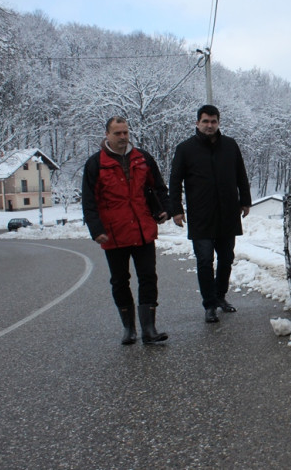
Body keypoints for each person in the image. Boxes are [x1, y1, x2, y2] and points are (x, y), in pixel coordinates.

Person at [82, 116, 169, 345]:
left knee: (148, 277)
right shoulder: (95, 164)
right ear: (107, 135)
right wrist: (96, 229)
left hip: (142, 229)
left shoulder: (143, 158)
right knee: (120, 281)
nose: (123, 137)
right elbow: (89, 201)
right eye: (118, 133)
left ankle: (149, 329)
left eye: (125, 133)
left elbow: (158, 187)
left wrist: (163, 209)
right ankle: (129, 329)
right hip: (114, 233)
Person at [169, 104, 252, 323]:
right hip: (201, 214)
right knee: (205, 260)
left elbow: (241, 175)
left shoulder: (230, 146)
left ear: (218, 123)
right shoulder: (185, 149)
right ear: (197, 123)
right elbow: (175, 181)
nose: (209, 125)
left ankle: (220, 296)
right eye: (205, 121)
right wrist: (176, 210)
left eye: (213, 121)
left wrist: (245, 201)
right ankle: (209, 305)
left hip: (227, 212)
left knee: (226, 258)